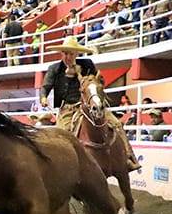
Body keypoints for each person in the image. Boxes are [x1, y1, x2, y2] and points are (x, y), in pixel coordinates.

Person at [39, 36, 141, 171]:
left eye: (70, 53)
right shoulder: (54, 69)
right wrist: (43, 98)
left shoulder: (87, 64)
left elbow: (97, 82)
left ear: (76, 54)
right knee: (62, 135)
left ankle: (128, 157)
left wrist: (80, 74)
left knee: (116, 123)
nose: (67, 56)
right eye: (64, 53)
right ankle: (62, 166)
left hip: (90, 104)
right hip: (68, 109)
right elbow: (45, 86)